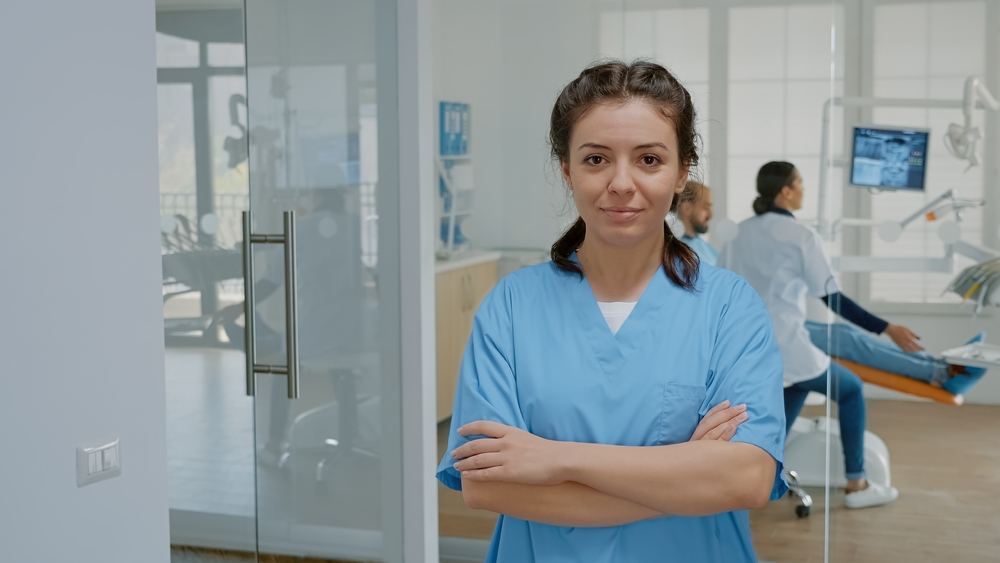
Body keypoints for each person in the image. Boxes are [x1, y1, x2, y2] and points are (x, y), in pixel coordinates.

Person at [437, 61, 788, 563]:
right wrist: (685, 473)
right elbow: (488, 488)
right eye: (596, 159)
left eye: (649, 159)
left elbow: (749, 478)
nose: (621, 183)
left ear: (682, 169)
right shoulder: (511, 307)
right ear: (567, 169)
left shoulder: (730, 306)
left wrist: (553, 459)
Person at [717, 161, 988, 509]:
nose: (803, 189)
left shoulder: (739, 233)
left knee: (833, 346)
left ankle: (937, 368)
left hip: (754, 342)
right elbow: (834, 299)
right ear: (785, 191)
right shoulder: (801, 236)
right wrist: (887, 328)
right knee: (850, 389)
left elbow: (725, 294)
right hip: (785, 344)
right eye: (799, 183)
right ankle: (857, 483)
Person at [676, 181, 718, 266]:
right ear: (687, 208)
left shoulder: (707, 248)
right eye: (705, 208)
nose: (711, 215)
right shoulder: (676, 252)